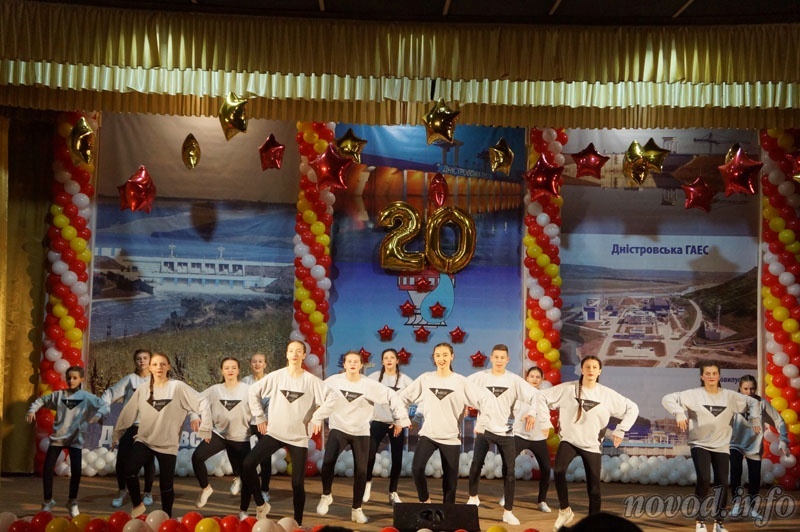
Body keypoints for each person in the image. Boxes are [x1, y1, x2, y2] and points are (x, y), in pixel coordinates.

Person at [540, 355, 639, 531]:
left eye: (594, 367)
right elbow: (541, 397)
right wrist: (543, 421)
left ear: (599, 371)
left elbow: (632, 408)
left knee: (594, 489)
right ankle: (565, 510)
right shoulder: (568, 389)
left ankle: (594, 524)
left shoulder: (607, 394)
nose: (591, 370)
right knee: (559, 470)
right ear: (582, 370)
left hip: (592, 445)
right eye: (587, 367)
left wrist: (621, 429)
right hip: (570, 440)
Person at [662, 363, 761, 532]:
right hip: (699, 443)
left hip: (721, 445)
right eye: (707, 373)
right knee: (704, 479)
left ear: (719, 376)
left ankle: (718, 523)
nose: (711, 376)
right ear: (702, 377)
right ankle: (700, 521)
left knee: (722, 483)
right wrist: (679, 412)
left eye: (714, 373)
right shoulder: (693, 394)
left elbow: (753, 402)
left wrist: (755, 419)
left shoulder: (729, 396)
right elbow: (667, 398)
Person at [315, 350, 410, 524]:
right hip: (339, 428)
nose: (352, 364)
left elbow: (392, 396)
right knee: (327, 463)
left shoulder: (369, 384)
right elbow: (315, 394)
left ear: (361, 365)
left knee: (361, 471)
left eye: (356, 361)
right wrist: (313, 417)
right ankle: (326, 495)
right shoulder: (333, 381)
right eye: (349, 361)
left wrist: (400, 418)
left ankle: (356, 509)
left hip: (361, 432)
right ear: (344, 364)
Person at [113, 352, 212, 517]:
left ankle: (167, 517)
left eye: (162, 364)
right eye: (155, 364)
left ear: (168, 367)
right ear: (150, 368)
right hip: (145, 440)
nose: (159, 367)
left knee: (166, 486)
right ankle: (137, 505)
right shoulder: (143, 389)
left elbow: (202, 401)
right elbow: (128, 411)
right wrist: (117, 433)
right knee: (129, 471)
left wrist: (206, 428)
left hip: (167, 444)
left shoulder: (177, 387)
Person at [242, 340, 330, 523]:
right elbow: (253, 391)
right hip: (275, 433)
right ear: (287, 354)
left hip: (298, 438)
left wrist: (318, 416)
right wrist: (259, 416)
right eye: (291, 351)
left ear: (304, 355)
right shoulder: (277, 376)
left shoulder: (311, 381)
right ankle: (261, 504)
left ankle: (297, 523)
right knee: (248, 464)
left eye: (299, 351)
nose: (295, 354)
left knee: (297, 484)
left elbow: (333, 398)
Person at [397, 342, 492, 504]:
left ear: (452, 357)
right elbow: (402, 397)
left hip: (451, 438)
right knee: (417, 469)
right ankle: (425, 501)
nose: (441, 358)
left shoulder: (461, 382)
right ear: (434, 358)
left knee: (450, 482)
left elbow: (485, 400)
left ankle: (447, 511)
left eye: (445, 355)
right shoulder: (426, 378)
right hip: (428, 434)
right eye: (438, 355)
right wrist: (402, 419)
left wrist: (481, 424)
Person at [466, 344, 550, 526]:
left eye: (502, 357)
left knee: (509, 472)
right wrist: (464, 405)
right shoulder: (480, 377)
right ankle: (473, 497)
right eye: (496, 357)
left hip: (506, 432)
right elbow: (462, 387)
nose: (499, 360)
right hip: (485, 429)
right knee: (476, 465)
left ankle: (508, 512)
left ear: (507, 360)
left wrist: (532, 413)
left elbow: (536, 396)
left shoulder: (514, 380)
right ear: (491, 358)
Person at [27, 365, 109, 517]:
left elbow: (104, 405)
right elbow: (41, 401)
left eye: (75, 378)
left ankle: (72, 501)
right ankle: (47, 501)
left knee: (76, 471)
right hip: (58, 439)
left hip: (75, 440)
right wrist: (32, 410)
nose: (71, 380)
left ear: (81, 379)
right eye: (69, 378)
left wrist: (98, 415)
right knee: (47, 469)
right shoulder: (59, 395)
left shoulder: (86, 397)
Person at [191, 357, 252, 516]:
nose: (230, 370)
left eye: (233, 367)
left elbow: (259, 408)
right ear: (222, 371)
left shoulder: (247, 390)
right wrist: (194, 416)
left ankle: (243, 510)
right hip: (219, 434)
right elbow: (194, 401)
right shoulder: (214, 390)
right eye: (227, 368)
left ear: (238, 371)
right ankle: (206, 488)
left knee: (246, 475)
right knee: (197, 457)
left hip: (241, 437)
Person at [100, 348, 156, 508]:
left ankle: (147, 492)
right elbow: (110, 393)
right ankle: (122, 490)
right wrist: (103, 409)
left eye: (145, 358)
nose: (142, 361)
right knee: (122, 460)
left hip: (149, 427)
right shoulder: (130, 380)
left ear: (150, 361)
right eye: (138, 358)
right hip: (130, 425)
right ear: (135, 362)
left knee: (148, 460)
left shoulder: (157, 380)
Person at [729, 375, 790, 520]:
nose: (749, 392)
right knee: (736, 472)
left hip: (754, 445)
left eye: (752, 389)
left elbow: (779, 420)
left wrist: (783, 438)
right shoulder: (732, 401)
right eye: (745, 389)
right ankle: (736, 505)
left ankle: (751, 508)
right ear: (740, 388)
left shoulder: (761, 403)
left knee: (754, 476)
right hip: (735, 443)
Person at [499, 365, 553, 514]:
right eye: (532, 376)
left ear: (542, 379)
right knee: (508, 465)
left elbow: (546, 415)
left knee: (546, 469)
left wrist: (545, 425)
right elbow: (509, 413)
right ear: (526, 378)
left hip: (538, 437)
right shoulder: (518, 396)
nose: (534, 379)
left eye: (537, 377)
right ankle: (506, 495)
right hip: (519, 435)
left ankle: (542, 501)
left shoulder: (543, 397)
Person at [364, 348, 414, 505]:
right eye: (386, 358)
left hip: (397, 424)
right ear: (382, 361)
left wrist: (402, 420)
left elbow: (413, 400)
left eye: (392, 357)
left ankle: (393, 492)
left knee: (397, 458)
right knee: (369, 455)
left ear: (397, 360)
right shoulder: (373, 378)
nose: (389, 360)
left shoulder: (405, 380)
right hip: (378, 422)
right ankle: (367, 484)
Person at [237, 352, 271, 501]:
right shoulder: (245, 381)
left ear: (265, 364)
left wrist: (266, 421)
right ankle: (243, 482)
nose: (257, 364)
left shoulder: (270, 381)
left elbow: (272, 404)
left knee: (265, 458)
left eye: (260, 361)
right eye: (254, 361)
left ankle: (265, 490)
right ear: (251, 364)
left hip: (264, 423)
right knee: (242, 454)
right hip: (247, 423)